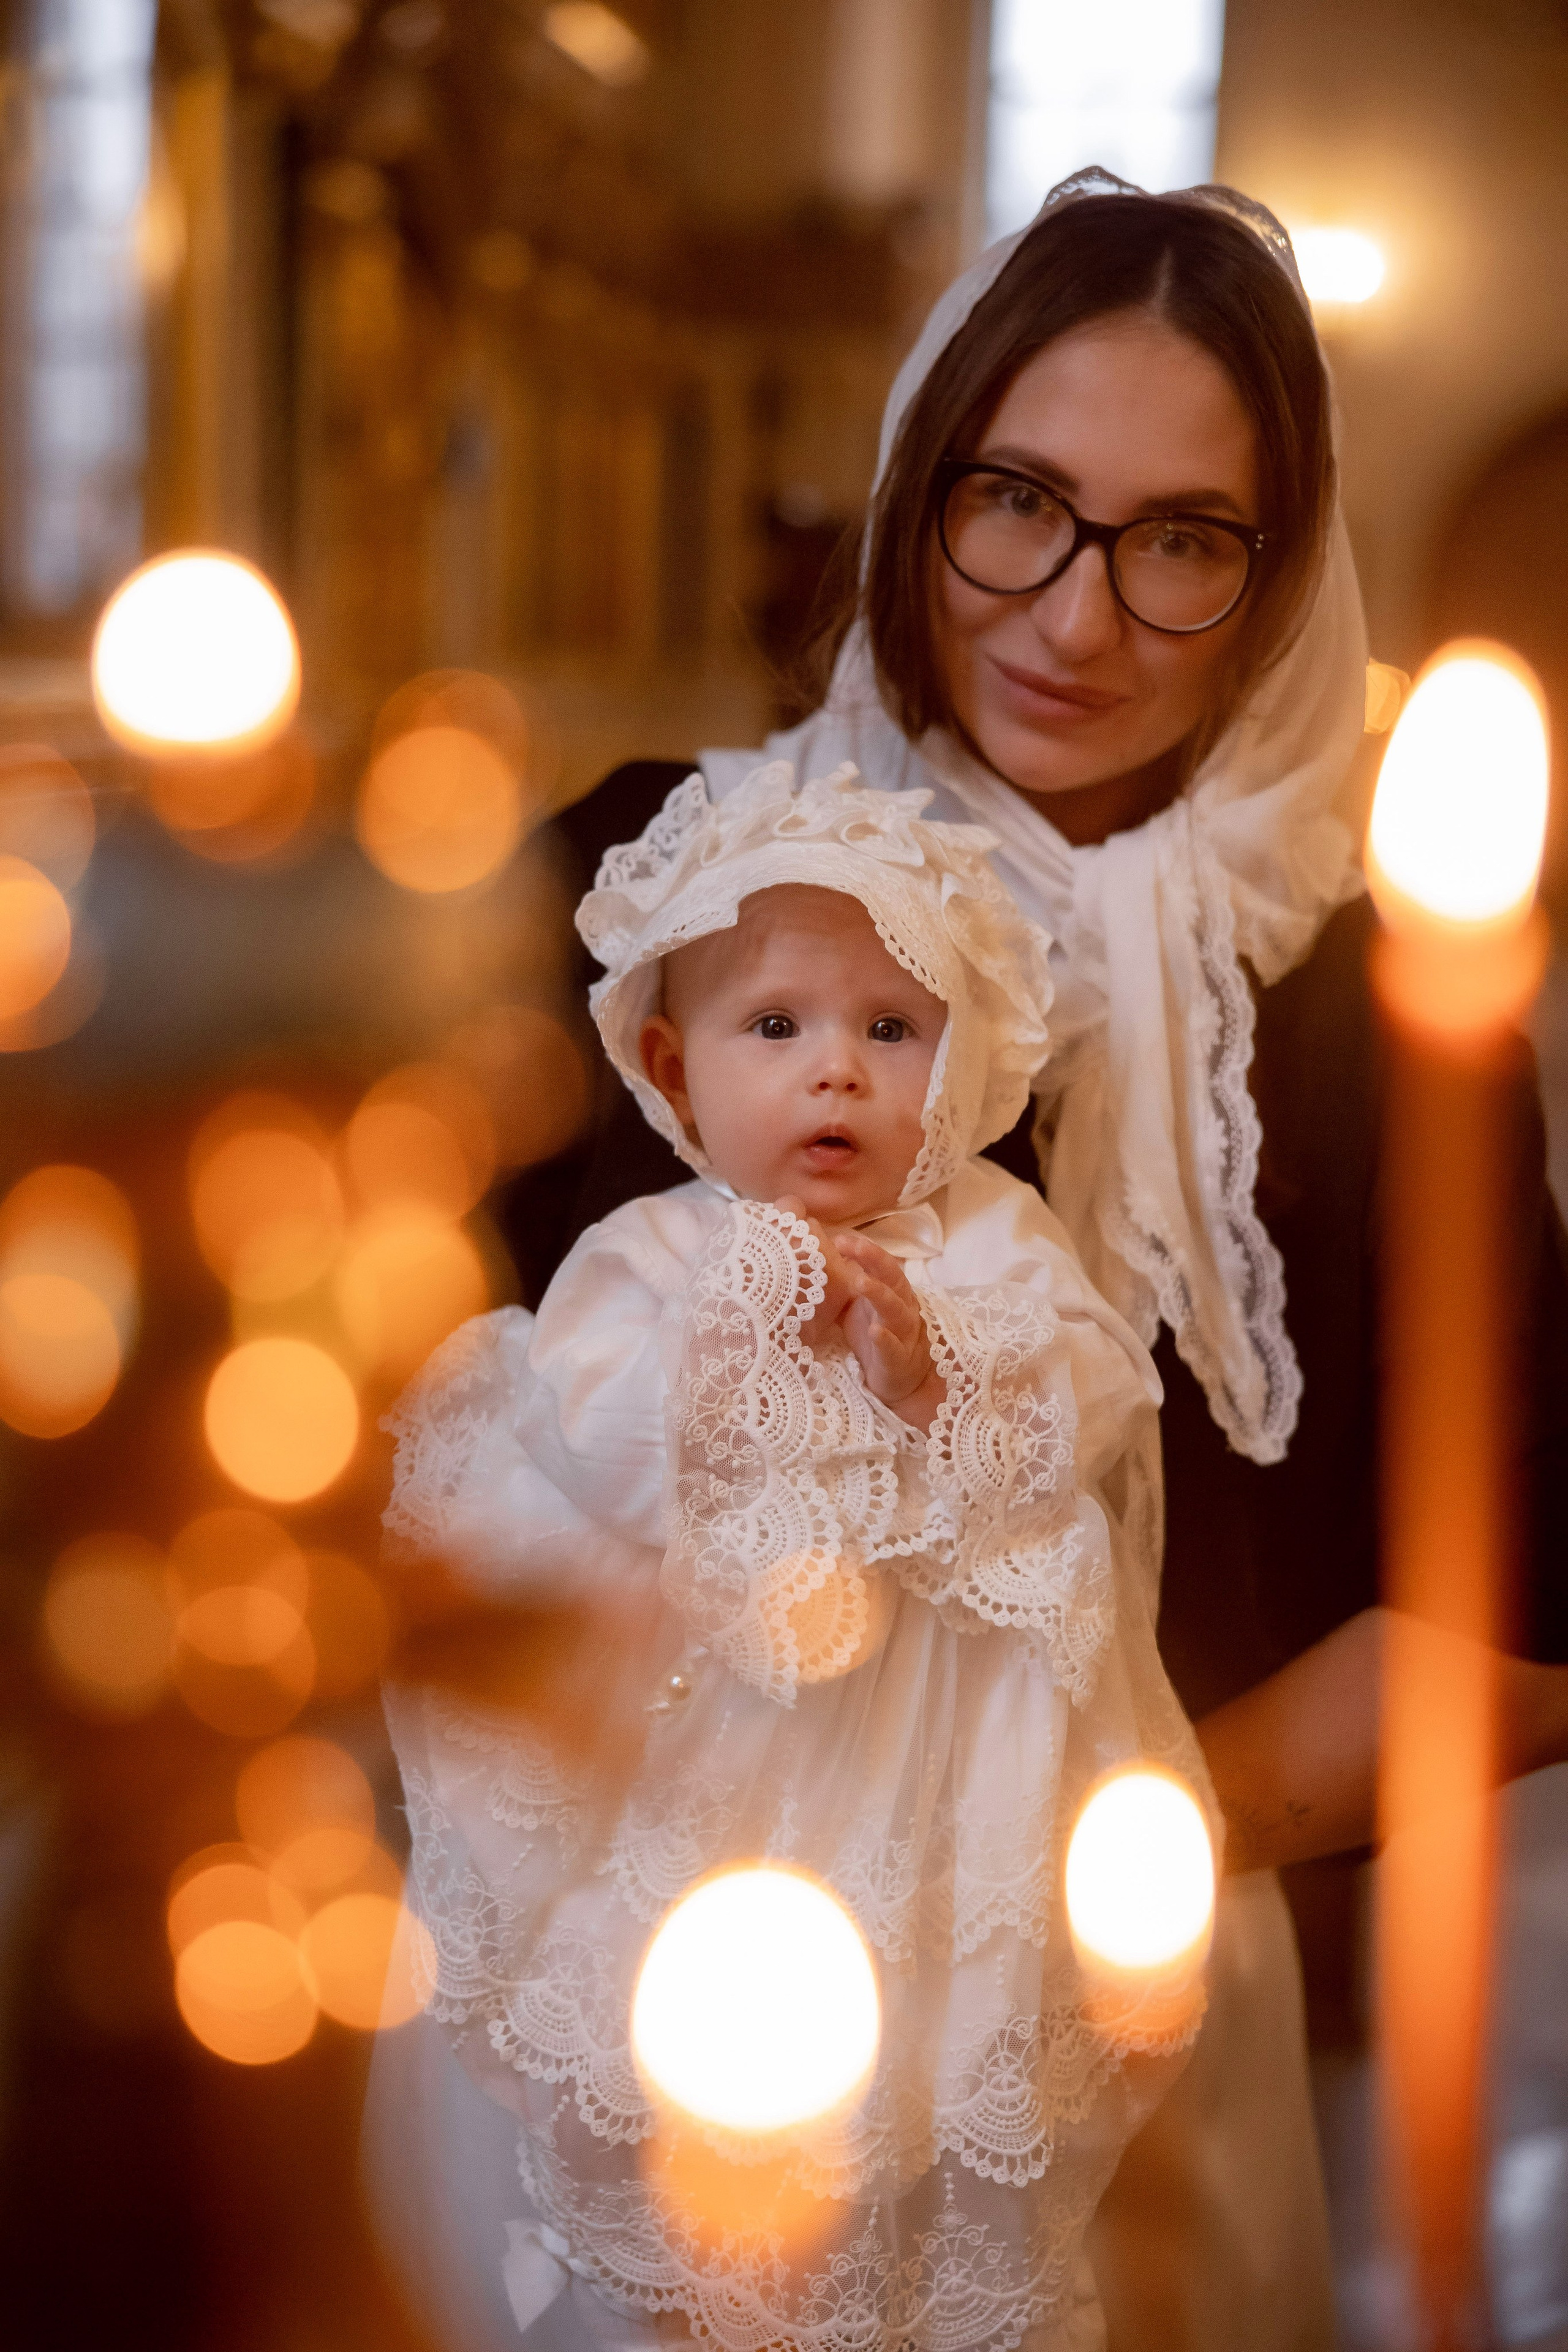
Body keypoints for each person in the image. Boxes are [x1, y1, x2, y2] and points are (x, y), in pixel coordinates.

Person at [499, 170, 1568, 2349]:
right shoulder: (640, 887)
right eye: (1018, 501)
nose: (1076, 618)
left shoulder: (1391, 1018)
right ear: (916, 490)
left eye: (1182, 541)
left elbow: (1522, 1629)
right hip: (638, 1974)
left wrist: (1062, 1850)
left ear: (1278, 582)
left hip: (1127, 2006)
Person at [384, 761, 1226, 2352]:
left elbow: (1089, 1411)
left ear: (957, 1059)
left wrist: (938, 1374)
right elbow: (598, 1448)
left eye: (888, 1031)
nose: (835, 1072)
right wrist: (741, 1323)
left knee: (922, 2106)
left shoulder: (989, 1244)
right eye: (776, 1028)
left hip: (931, 1789)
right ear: (672, 1065)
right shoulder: (656, 1255)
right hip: (719, 1773)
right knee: (691, 2108)